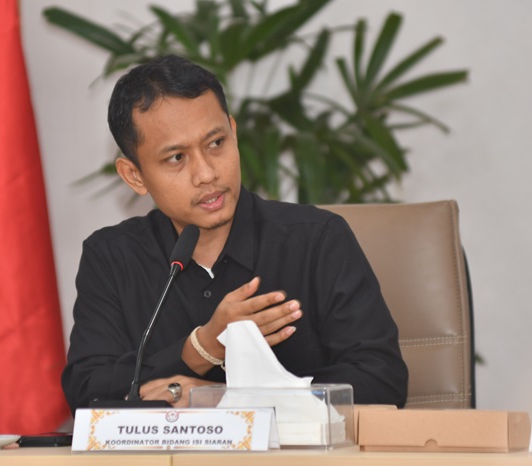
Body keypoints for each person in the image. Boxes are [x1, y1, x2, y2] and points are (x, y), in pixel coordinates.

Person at [62, 55, 408, 411]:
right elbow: (88, 393)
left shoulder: (317, 241)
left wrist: (224, 400)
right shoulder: (112, 257)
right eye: (177, 158)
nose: (207, 173)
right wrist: (201, 349)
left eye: (216, 143)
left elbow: (383, 381)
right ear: (134, 175)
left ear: (233, 132)